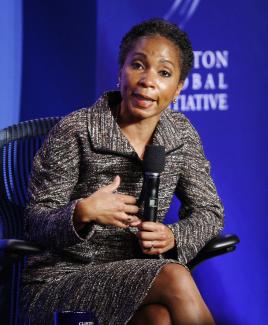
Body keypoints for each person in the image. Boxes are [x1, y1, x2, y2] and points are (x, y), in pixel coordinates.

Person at [21, 18, 224, 324]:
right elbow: (35, 221)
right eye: (138, 65)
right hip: (64, 279)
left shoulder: (181, 135)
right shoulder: (76, 130)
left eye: (164, 73)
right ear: (120, 72)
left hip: (140, 277)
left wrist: (173, 236)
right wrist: (82, 212)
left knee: (158, 319)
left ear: (178, 88)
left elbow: (209, 211)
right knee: (173, 275)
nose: (148, 80)